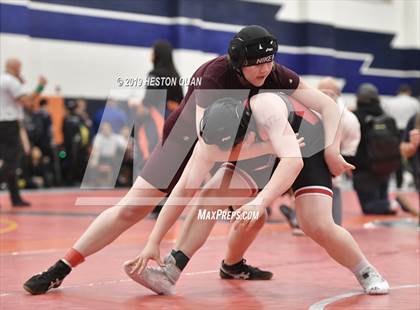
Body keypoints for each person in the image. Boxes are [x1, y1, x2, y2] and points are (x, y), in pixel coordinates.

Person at [23, 25, 352, 295]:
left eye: (269, 62)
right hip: (189, 140)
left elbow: (327, 105)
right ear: (238, 63)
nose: (265, 70)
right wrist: (272, 150)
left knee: (253, 211)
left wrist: (332, 149)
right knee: (131, 208)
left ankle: (233, 264)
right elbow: (206, 140)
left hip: (246, 141)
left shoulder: (271, 70)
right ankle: (61, 267)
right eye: (257, 64)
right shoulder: (211, 77)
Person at [124, 93, 388, 296]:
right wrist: (154, 240)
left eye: (232, 150)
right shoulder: (211, 141)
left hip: (305, 150)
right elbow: (183, 190)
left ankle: (366, 271)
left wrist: (260, 202)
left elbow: (292, 163)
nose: (227, 156)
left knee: (315, 223)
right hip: (264, 150)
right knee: (210, 195)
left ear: (246, 133)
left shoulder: (267, 110)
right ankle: (172, 270)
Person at [0, 58, 47, 207]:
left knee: (9, 162)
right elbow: (27, 101)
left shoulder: (3, 80)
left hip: (3, 123)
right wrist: (40, 87)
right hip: (8, 124)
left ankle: (15, 197)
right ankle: (15, 197)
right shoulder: (11, 81)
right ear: (15, 67)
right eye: (20, 68)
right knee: (11, 162)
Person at [352, 83, 404, 215]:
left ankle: (396, 203)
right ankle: (392, 204)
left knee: (368, 207)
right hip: (386, 165)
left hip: (364, 169)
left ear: (359, 98)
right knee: (381, 202)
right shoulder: (386, 117)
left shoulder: (356, 116)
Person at [382, 85, 420, 189]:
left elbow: (385, 116)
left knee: (395, 157)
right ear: (409, 92)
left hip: (394, 131)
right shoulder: (414, 102)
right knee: (408, 154)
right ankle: (411, 176)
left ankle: (398, 181)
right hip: (411, 130)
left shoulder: (390, 102)